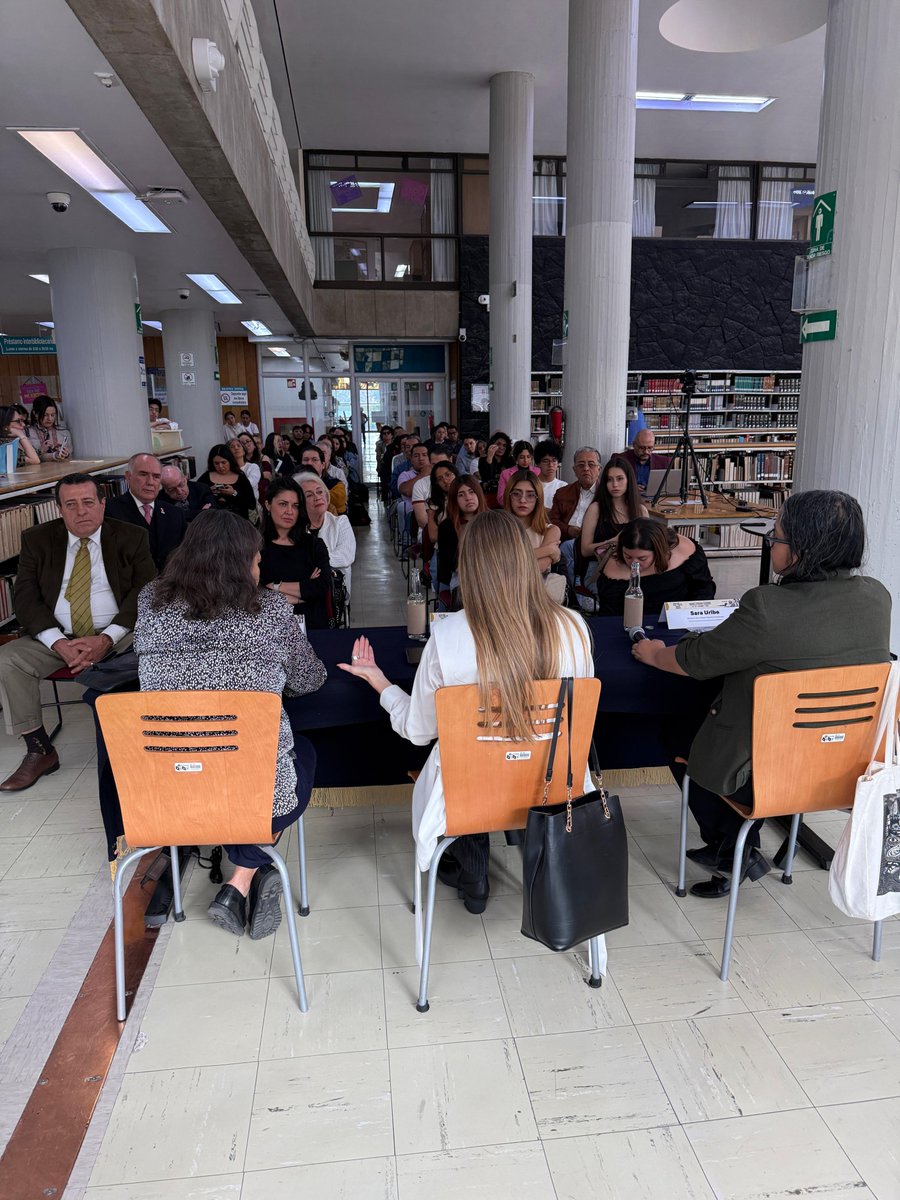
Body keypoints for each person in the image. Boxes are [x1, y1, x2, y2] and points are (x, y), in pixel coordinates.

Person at [339, 509, 598, 925]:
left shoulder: (448, 637)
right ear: (525, 558)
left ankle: (474, 875)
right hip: (554, 789)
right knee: (495, 758)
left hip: (473, 797)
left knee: (468, 761)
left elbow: (417, 732)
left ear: (469, 566)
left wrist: (380, 683)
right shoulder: (574, 628)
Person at [632, 490, 892, 898]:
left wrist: (651, 652)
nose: (772, 543)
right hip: (847, 771)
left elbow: (693, 661)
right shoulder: (877, 597)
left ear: (801, 549)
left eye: (777, 536)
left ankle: (732, 847)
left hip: (772, 775)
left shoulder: (767, 606)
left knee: (678, 733)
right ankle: (742, 845)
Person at [135, 509, 326, 937]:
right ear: (242, 564)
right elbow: (308, 679)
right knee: (301, 755)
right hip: (255, 790)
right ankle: (243, 877)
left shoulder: (150, 601)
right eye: (257, 561)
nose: (260, 569)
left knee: (236, 768)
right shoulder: (270, 609)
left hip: (170, 785)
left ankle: (240, 881)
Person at [0, 473, 156, 791]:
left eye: (87, 502)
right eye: (70, 505)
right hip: (57, 637)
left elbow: (146, 590)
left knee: (154, 652)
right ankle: (39, 750)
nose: (81, 511)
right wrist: (58, 642)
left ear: (102, 504)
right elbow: (25, 598)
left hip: (119, 636)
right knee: (8, 659)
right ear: (59, 509)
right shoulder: (37, 539)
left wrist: (107, 638)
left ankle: (143, 740)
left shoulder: (132, 536)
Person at [591, 518, 715, 617]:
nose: (634, 563)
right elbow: (609, 614)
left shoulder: (684, 550)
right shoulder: (613, 570)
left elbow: (703, 588)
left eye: (642, 558)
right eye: (628, 556)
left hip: (682, 619)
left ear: (658, 551)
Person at [259, 479, 331, 629]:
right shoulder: (254, 546)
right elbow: (253, 592)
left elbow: (322, 586)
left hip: (312, 625)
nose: (289, 511)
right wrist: (303, 592)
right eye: (283, 504)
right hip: (268, 627)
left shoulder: (314, 545)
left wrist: (275, 587)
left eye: (295, 506)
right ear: (268, 505)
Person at [105, 453, 188, 570]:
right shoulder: (108, 511)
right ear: (128, 476)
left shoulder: (175, 513)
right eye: (143, 475)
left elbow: (185, 555)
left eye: (156, 477)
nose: (150, 482)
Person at [548, 446, 602, 586]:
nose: (586, 468)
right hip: (566, 539)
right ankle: (569, 589)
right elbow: (552, 520)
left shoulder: (605, 495)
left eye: (591, 464)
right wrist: (568, 529)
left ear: (599, 469)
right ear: (574, 470)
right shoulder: (562, 493)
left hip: (593, 542)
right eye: (581, 465)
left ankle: (574, 589)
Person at [297, 473, 357, 597]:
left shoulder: (341, 522)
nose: (317, 497)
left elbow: (346, 556)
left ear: (326, 495)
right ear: (299, 502)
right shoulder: (295, 528)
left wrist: (313, 560)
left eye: (320, 492)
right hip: (303, 595)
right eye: (309, 495)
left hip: (336, 594)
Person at [580, 455, 649, 561]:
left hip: (632, 563)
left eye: (620, 479)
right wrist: (613, 542)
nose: (615, 484)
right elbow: (585, 550)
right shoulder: (596, 508)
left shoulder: (641, 510)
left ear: (629, 480)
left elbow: (646, 546)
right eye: (609, 480)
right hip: (601, 564)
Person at [436, 474, 487, 603]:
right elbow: (451, 564)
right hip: (462, 578)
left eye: (471, 492)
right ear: (455, 500)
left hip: (493, 575)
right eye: (461, 495)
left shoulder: (493, 521)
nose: (468, 498)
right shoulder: (447, 527)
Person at [503, 471, 562, 574]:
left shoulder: (551, 530)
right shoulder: (497, 528)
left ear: (538, 499)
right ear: (509, 496)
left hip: (539, 583)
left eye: (530, 495)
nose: (522, 500)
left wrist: (509, 560)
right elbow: (498, 565)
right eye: (516, 494)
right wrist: (548, 550)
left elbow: (539, 568)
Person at [197, 444, 256, 520]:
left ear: (230, 461)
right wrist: (208, 491)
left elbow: (251, 504)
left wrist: (234, 493)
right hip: (213, 520)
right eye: (216, 463)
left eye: (224, 462)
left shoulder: (240, 476)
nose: (220, 466)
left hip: (237, 520)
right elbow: (196, 497)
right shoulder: (206, 477)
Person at [299, 444, 347, 515]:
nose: (309, 463)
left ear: (323, 465)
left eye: (314, 460)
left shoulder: (335, 484)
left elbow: (339, 500)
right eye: (306, 460)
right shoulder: (294, 482)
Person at [27, 396, 71, 462]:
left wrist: (66, 453)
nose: (50, 419)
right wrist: (42, 450)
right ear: (35, 414)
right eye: (45, 415)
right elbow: (29, 458)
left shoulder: (64, 432)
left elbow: (70, 454)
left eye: (52, 415)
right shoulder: (28, 433)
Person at [497, 440, 539, 505]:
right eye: (522, 457)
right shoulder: (505, 474)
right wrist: (517, 502)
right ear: (516, 458)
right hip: (512, 508)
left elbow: (541, 494)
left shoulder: (538, 472)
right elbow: (500, 498)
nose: (526, 460)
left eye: (528, 457)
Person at [477, 432, 513, 497]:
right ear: (492, 444)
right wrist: (489, 459)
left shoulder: (510, 460)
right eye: (498, 444)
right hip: (489, 493)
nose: (501, 447)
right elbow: (486, 478)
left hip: (506, 492)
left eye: (504, 445)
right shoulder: (482, 460)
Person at [534, 439, 566, 508]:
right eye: (545, 461)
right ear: (538, 463)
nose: (550, 465)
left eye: (554, 461)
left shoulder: (564, 487)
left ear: (558, 463)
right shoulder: (531, 484)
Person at [228, 436, 261, 504]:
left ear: (244, 451)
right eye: (232, 447)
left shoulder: (253, 467)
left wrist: (233, 490)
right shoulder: (228, 469)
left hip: (250, 505)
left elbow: (249, 484)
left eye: (238, 446)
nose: (236, 448)